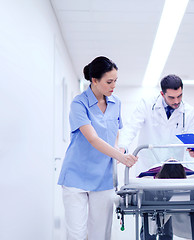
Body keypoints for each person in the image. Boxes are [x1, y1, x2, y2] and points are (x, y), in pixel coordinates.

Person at [57, 56, 138, 240]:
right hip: (76, 177)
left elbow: (115, 130)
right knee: (76, 234)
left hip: (103, 177)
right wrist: (119, 156)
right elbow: (92, 138)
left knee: (100, 235)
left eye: (115, 81)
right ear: (94, 80)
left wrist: (118, 150)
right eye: (109, 82)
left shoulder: (116, 103)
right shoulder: (79, 103)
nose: (113, 86)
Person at [119, 74, 194, 240]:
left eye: (180, 96)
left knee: (167, 217)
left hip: (173, 173)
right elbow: (131, 127)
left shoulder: (189, 111)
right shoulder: (147, 105)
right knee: (148, 218)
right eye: (172, 97)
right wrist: (122, 147)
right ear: (162, 94)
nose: (177, 101)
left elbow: (193, 138)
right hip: (149, 169)